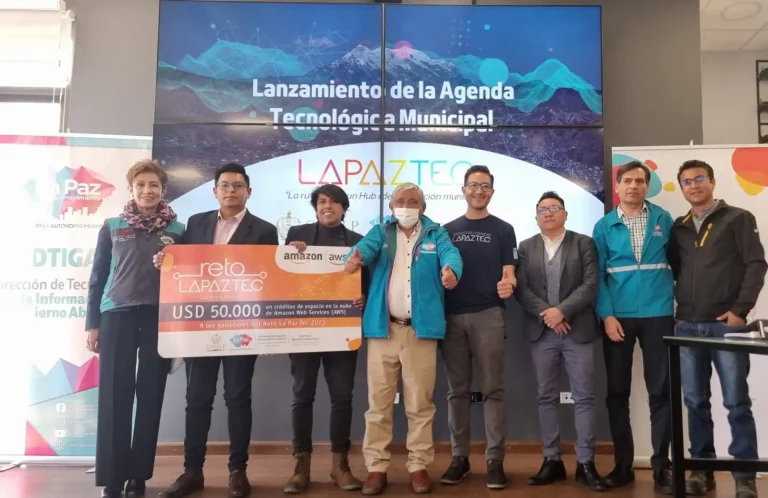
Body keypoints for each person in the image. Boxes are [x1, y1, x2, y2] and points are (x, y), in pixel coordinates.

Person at [156, 163, 279, 498]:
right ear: (214, 191)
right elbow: (183, 267)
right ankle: (191, 471)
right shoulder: (196, 223)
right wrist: (165, 262)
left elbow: (271, 281)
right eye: (224, 185)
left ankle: (237, 472)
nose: (230, 191)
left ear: (248, 192)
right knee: (197, 399)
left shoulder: (265, 231)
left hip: (242, 327)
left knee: (238, 399)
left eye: (237, 186)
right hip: (200, 326)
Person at [344, 182, 463, 496]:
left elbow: (452, 255)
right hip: (383, 331)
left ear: (422, 207)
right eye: (400, 201)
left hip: (420, 333)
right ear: (391, 206)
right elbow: (362, 250)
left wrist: (451, 270)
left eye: (412, 201)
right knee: (378, 405)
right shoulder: (381, 232)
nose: (406, 206)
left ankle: (418, 465)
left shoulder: (437, 234)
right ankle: (376, 467)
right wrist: (355, 258)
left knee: (420, 404)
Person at [86, 159, 185, 498]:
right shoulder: (112, 226)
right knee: (115, 395)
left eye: (153, 185)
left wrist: (172, 262)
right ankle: (113, 478)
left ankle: (138, 476)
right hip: (116, 315)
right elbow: (98, 277)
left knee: (150, 395)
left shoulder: (179, 230)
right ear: (131, 189)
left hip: (159, 318)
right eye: (141, 185)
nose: (147, 190)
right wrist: (93, 324)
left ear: (163, 189)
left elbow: (187, 275)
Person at [668, 160, 766, 498]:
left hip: (726, 327)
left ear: (712, 182)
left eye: (699, 179)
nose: (693, 185)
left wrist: (740, 311)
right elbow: (677, 268)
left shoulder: (738, 218)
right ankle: (702, 470)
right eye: (686, 181)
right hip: (687, 326)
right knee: (695, 401)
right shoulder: (679, 227)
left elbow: (756, 264)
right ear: (682, 188)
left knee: (736, 401)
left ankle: (745, 477)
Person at [592, 160, 674, 494]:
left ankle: (662, 467)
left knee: (661, 392)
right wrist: (606, 316)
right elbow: (596, 276)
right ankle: (623, 466)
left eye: (640, 181)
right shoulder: (603, 226)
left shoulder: (664, 219)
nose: (633, 186)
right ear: (618, 186)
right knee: (616, 393)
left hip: (659, 314)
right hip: (618, 318)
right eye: (627, 181)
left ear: (647, 186)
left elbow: (679, 264)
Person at [517, 191, 605, 492]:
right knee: (546, 397)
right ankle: (552, 460)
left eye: (554, 208)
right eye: (543, 209)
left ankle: (586, 463)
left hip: (578, 331)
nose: (548, 213)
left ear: (565, 214)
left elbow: (591, 284)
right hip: (542, 332)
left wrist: (562, 311)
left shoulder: (583, 243)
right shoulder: (526, 247)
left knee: (584, 397)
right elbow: (522, 289)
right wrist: (549, 315)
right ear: (536, 216)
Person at [282, 184, 368, 494]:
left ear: (344, 208)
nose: (326, 206)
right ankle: (301, 466)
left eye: (333, 202)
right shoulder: (297, 235)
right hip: (304, 329)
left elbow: (367, 284)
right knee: (302, 396)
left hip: (342, 330)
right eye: (321, 202)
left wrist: (363, 297)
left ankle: (340, 465)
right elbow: (284, 278)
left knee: (342, 398)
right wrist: (291, 255)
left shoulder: (358, 242)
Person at [439, 165, 516, 490]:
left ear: (492, 192)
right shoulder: (446, 230)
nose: (479, 190)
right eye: (473, 185)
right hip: (452, 317)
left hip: (489, 315)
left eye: (485, 186)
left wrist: (510, 284)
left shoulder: (504, 229)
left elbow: (510, 273)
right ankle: (460, 458)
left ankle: (494, 460)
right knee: (456, 391)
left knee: (493, 390)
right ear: (464, 190)